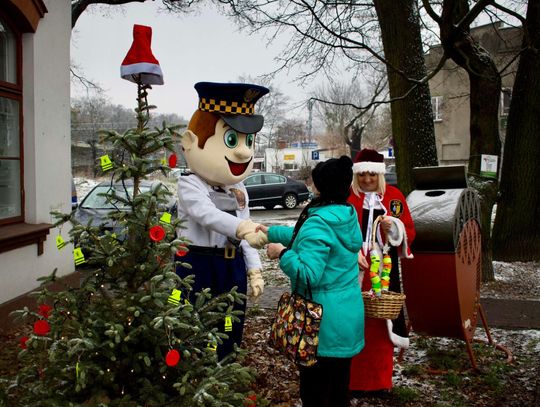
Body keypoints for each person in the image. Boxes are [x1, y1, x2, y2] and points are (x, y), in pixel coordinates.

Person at [252, 156, 364, 407]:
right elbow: (305, 235)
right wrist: (270, 231)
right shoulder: (344, 214)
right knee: (338, 391)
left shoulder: (319, 222)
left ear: (320, 186)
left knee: (315, 395)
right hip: (346, 316)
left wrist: (281, 253)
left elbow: (307, 273)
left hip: (320, 324)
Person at [175, 82, 268, 359]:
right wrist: (241, 228)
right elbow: (206, 214)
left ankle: (226, 364)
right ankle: (196, 370)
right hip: (198, 265)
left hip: (231, 266)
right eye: (231, 140)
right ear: (192, 142)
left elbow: (247, 234)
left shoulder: (239, 190)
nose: (243, 152)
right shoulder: (190, 185)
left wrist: (254, 270)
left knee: (231, 320)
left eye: (247, 141)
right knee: (196, 320)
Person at [347, 148, 416, 393]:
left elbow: (409, 231)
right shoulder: (348, 198)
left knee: (381, 326)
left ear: (380, 175)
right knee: (355, 323)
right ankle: (353, 381)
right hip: (352, 271)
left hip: (383, 271)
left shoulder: (394, 197)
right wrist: (352, 253)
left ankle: (379, 382)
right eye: (363, 175)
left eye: (372, 175)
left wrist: (394, 227)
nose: (367, 180)